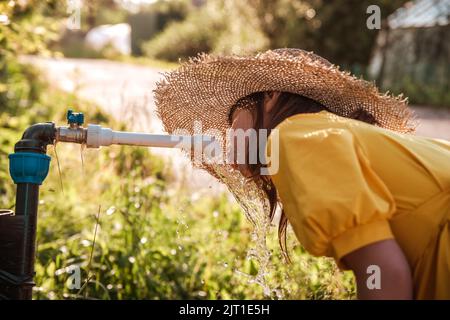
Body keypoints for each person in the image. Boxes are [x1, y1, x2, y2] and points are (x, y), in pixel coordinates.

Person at [154, 49, 450, 299]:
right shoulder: (328, 133)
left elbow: (386, 275)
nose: (227, 143)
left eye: (232, 121)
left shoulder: (293, 136)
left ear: (269, 97)